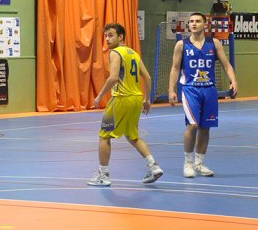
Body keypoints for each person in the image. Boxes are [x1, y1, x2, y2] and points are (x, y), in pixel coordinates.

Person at [86, 23, 163, 187]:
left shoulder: (115, 52)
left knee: (104, 136)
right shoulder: (133, 53)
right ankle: (154, 166)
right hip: (136, 98)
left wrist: (99, 96)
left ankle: (103, 175)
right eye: (106, 36)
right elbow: (148, 78)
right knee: (132, 136)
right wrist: (147, 99)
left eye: (111, 35)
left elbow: (113, 78)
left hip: (121, 98)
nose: (107, 39)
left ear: (121, 37)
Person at [168, 12, 238, 178]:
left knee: (205, 128)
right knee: (192, 125)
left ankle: (199, 163)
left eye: (197, 21)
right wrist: (171, 89)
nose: (193, 24)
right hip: (190, 89)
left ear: (205, 24)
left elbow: (227, 65)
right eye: (191, 21)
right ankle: (188, 163)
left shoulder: (214, 43)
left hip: (209, 90)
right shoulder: (181, 45)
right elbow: (175, 68)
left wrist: (234, 81)